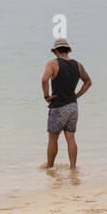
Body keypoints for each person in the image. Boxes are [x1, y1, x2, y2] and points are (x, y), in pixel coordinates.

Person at [41, 39, 91, 169]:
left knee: (53, 139)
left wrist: (46, 96)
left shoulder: (52, 64)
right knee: (71, 138)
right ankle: (73, 168)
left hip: (58, 107)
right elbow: (88, 82)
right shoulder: (77, 65)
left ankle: (50, 168)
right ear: (68, 50)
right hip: (73, 106)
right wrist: (77, 95)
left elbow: (44, 80)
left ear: (56, 51)